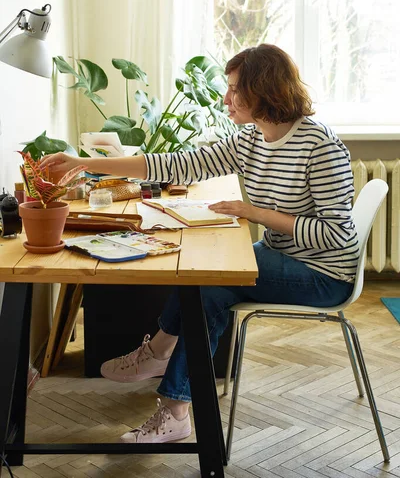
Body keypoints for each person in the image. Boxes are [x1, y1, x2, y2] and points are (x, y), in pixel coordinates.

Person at [41, 44, 359, 444]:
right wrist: (86, 164)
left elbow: (336, 234)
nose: (225, 98)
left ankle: (173, 403)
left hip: (324, 272)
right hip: (284, 254)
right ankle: (160, 363)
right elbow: (177, 163)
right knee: (202, 273)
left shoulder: (320, 146)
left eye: (234, 89)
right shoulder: (253, 139)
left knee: (208, 287)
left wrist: (254, 213)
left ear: (264, 90)